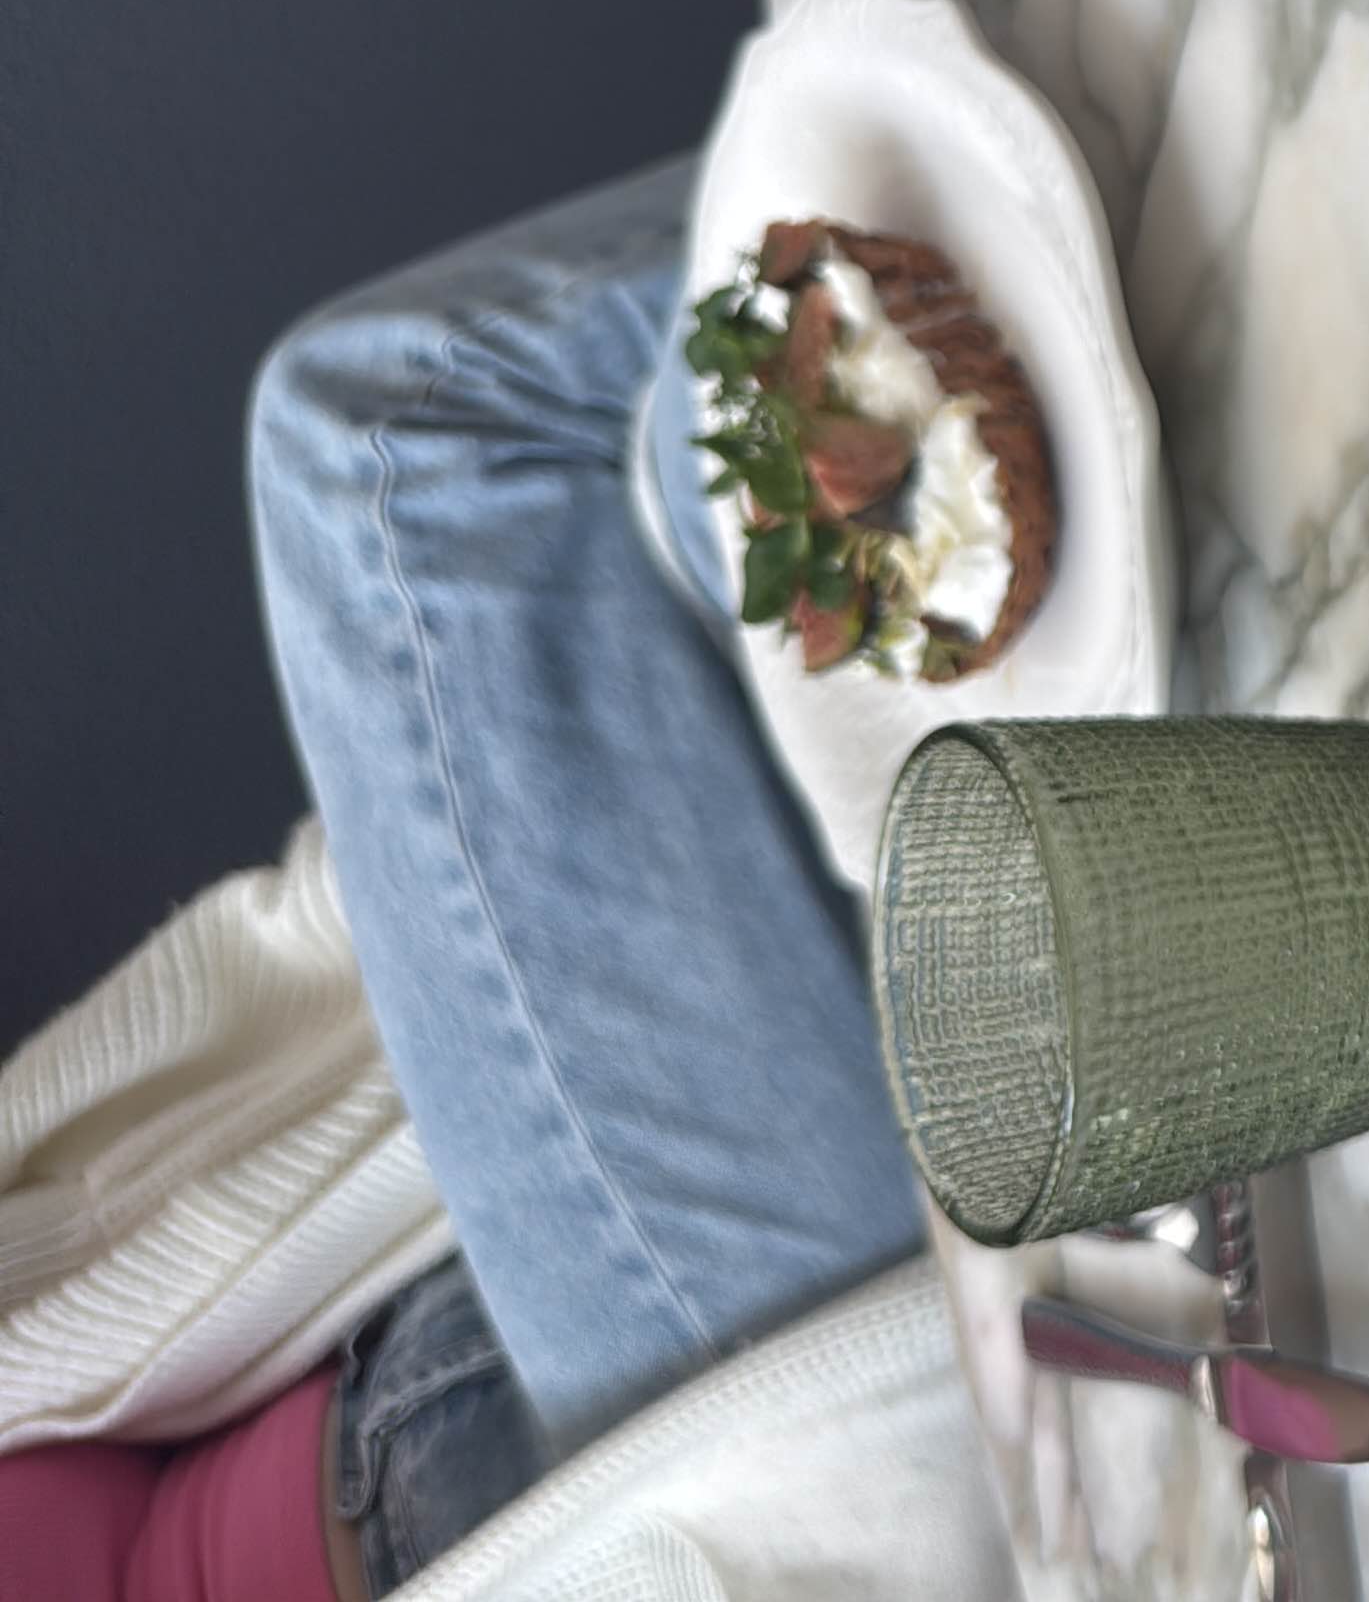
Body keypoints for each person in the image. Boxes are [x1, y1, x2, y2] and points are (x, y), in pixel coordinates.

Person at [0, 159, 930, 1596]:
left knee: (698, 499)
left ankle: (994, 200)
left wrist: (459, 849)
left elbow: (239, 1058)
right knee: (392, 454)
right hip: (625, 1511)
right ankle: (961, 166)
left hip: (499, 1279)